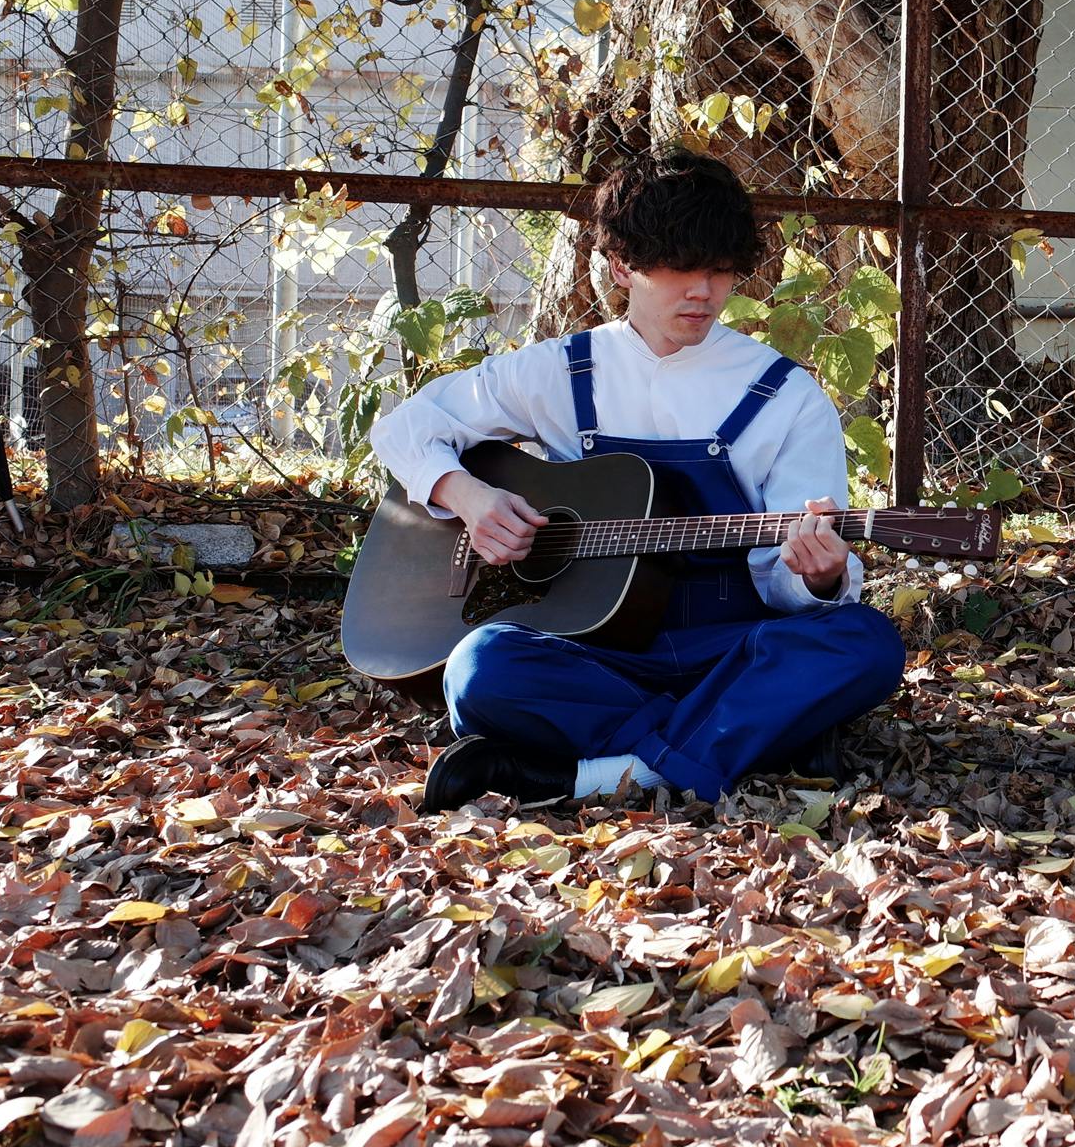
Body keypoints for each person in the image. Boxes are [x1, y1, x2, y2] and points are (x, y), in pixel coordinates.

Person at [368, 149, 908, 813]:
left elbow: (791, 590)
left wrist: (819, 576)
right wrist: (469, 497)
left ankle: (597, 772)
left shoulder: (783, 396)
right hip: (596, 654)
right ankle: (739, 738)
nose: (703, 293)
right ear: (622, 266)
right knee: (480, 666)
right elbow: (404, 428)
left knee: (865, 643)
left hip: (730, 648)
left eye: (719, 271)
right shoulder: (564, 371)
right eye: (679, 269)